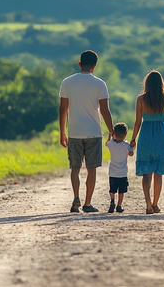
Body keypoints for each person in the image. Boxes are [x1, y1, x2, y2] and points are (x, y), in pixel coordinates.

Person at [59, 50, 114, 213]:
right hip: (94, 132)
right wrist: (111, 131)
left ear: (80, 64)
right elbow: (105, 111)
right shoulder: (100, 84)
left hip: (74, 132)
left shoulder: (67, 82)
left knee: (75, 168)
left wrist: (62, 132)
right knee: (92, 169)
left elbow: (63, 110)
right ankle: (88, 204)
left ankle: (76, 197)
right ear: (94, 66)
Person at [130, 70, 164, 215]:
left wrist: (133, 139)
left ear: (147, 83)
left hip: (146, 136)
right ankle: (156, 204)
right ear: (161, 83)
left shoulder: (141, 99)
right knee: (158, 173)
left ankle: (148, 204)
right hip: (162, 136)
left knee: (147, 173)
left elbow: (138, 122)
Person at [105, 122, 134, 213]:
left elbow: (107, 142)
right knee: (121, 191)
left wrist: (110, 135)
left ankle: (112, 200)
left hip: (112, 172)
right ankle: (119, 205)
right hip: (122, 173)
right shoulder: (126, 145)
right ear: (125, 134)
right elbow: (131, 154)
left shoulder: (111, 144)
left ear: (114, 134)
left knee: (112, 189)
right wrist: (133, 147)